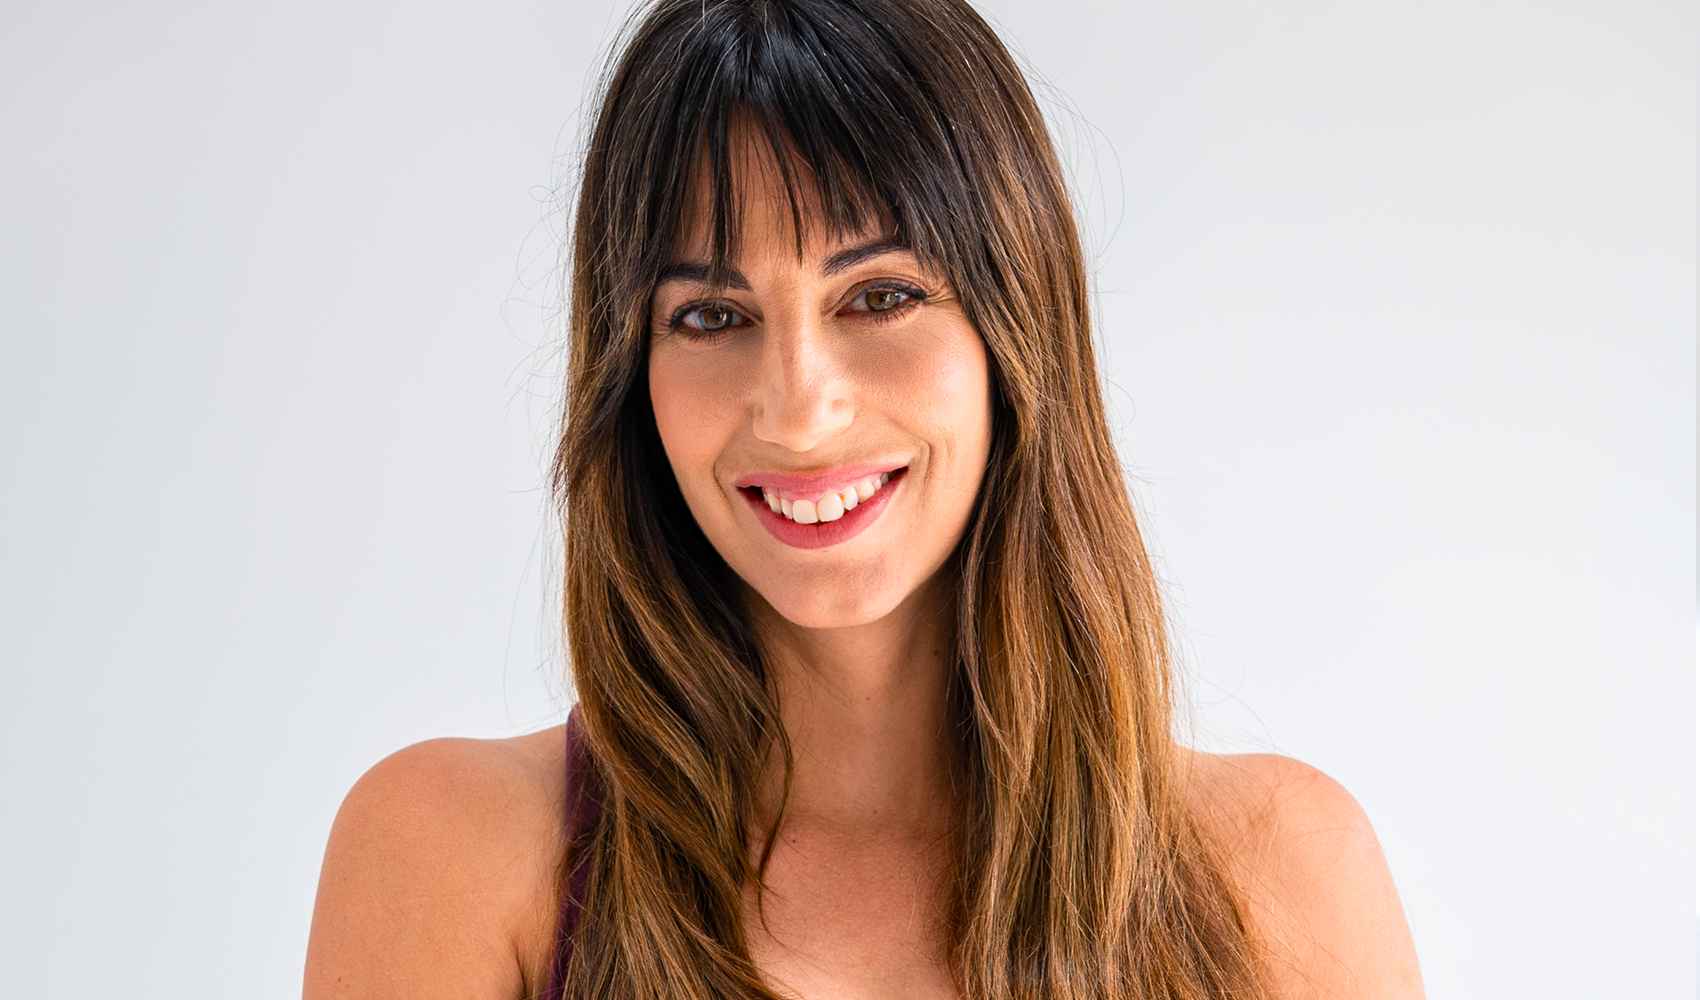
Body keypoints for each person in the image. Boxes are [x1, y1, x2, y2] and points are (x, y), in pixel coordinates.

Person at [303, 1, 1426, 997]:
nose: (798, 411)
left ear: (1014, 332)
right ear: (631, 375)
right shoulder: (454, 854)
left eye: (879, 295)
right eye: (710, 316)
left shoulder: (1278, 876)